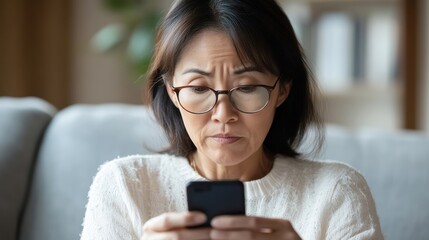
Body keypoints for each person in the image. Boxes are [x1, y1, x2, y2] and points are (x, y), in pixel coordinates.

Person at [81, 0, 383, 239]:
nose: (224, 114)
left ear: (282, 90)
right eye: (198, 88)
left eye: (248, 87)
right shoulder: (124, 186)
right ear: (172, 92)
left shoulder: (336, 192)